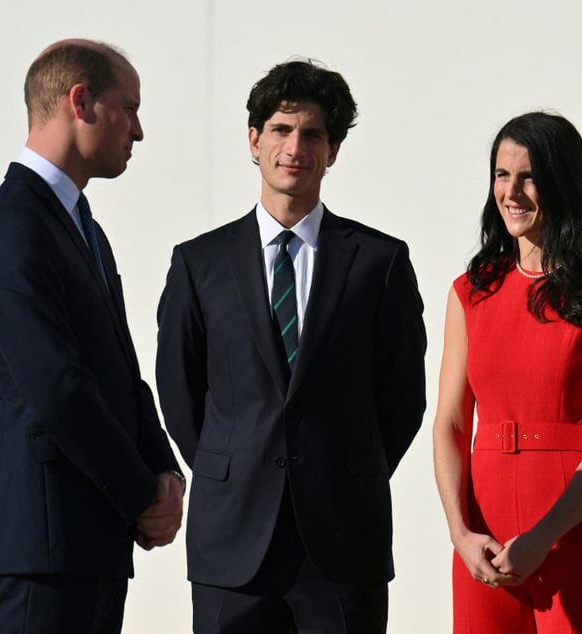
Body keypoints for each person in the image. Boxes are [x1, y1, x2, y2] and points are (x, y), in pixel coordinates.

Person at [156, 59, 427, 634]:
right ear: (254, 141)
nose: (295, 146)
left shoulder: (379, 262)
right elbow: (178, 391)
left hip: (343, 539)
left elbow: (403, 397)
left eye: (313, 134)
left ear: (332, 152)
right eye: (281, 129)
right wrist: (232, 466)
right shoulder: (199, 263)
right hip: (232, 542)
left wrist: (349, 470)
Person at [0, 39, 184, 633]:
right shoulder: (11, 224)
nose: (138, 131)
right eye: (128, 108)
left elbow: (119, 367)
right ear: (80, 102)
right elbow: (56, 387)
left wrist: (166, 473)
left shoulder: (84, 227)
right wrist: (140, 494)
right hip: (42, 542)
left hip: (89, 541)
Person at [433, 112, 582, 633]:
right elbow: (451, 424)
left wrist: (542, 536)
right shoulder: (471, 291)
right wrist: (460, 533)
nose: (512, 191)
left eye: (529, 176)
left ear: (563, 182)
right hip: (483, 537)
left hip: (574, 523)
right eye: (502, 175)